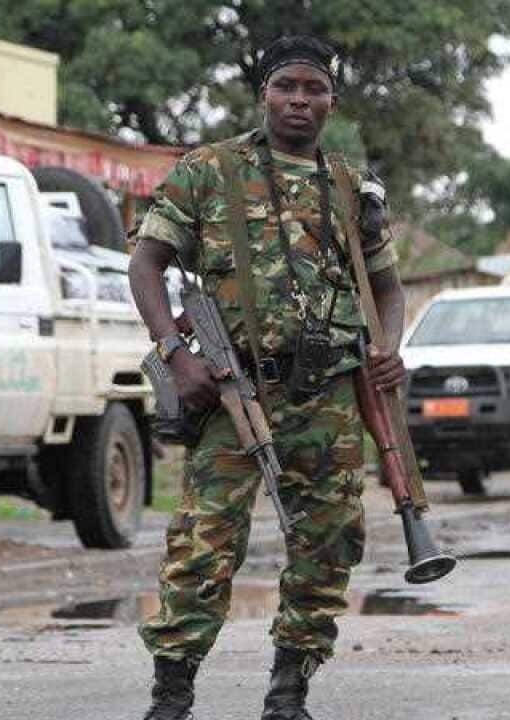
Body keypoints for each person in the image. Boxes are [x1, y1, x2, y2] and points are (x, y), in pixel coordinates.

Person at [126, 35, 406, 720]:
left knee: (329, 541)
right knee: (204, 540)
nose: (299, 101)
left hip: (330, 394)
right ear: (264, 93)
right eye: (287, 87)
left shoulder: (350, 184)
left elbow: (388, 287)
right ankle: (171, 697)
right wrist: (174, 352)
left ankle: (288, 694)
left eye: (314, 89)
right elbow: (146, 263)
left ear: (332, 101)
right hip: (232, 387)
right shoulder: (208, 170)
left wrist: (387, 346)